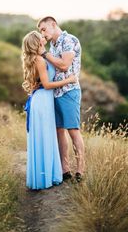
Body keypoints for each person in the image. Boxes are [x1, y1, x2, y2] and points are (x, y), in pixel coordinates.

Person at [22, 31, 77, 190]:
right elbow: (46, 85)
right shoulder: (39, 59)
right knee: (44, 137)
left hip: (43, 100)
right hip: (42, 101)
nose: (43, 36)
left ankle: (46, 175)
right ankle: (45, 178)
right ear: (36, 42)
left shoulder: (41, 57)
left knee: (45, 137)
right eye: (40, 36)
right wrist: (69, 80)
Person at [37, 16, 85, 182]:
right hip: (54, 93)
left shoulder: (69, 40)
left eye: (44, 29)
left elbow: (64, 65)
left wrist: (44, 53)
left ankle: (80, 170)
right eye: (40, 31)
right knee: (59, 131)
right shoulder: (53, 45)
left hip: (69, 91)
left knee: (73, 130)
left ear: (53, 24)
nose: (42, 33)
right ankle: (65, 169)